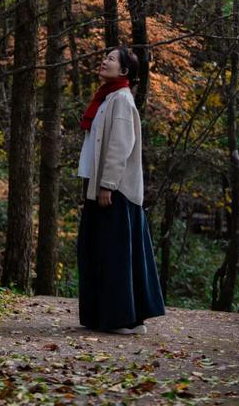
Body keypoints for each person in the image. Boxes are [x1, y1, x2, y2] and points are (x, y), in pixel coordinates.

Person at [76, 46, 165, 335]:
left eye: (111, 59)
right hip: (100, 188)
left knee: (116, 256)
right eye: (105, 57)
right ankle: (109, 317)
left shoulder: (122, 100)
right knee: (100, 253)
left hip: (116, 192)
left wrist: (107, 185)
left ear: (124, 71)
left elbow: (120, 146)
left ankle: (124, 319)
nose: (104, 61)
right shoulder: (107, 97)